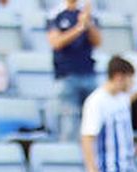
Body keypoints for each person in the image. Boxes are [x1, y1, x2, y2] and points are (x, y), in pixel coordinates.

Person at [48, 0, 101, 143]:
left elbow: (98, 41)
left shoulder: (88, 13)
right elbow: (56, 42)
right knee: (69, 125)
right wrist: (79, 27)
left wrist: (87, 23)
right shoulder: (56, 13)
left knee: (93, 122)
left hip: (88, 73)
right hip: (67, 75)